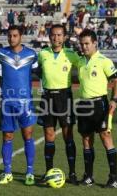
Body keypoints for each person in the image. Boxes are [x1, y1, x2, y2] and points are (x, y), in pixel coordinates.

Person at [0, 25, 38, 186]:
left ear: (21, 36)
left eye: (15, 35)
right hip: (7, 102)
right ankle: (7, 171)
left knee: (28, 136)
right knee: (7, 137)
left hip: (26, 103)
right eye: (9, 35)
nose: (11, 38)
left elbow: (41, 72)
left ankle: (30, 172)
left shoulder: (31, 54)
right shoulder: (2, 53)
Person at [76, 29, 117, 188]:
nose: (84, 47)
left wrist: (114, 99)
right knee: (86, 140)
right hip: (83, 104)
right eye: (82, 44)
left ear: (95, 43)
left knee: (105, 138)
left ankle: (113, 178)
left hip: (99, 104)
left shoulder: (104, 61)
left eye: (87, 44)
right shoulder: (80, 61)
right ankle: (88, 176)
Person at [37, 24, 80, 185]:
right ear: (49, 36)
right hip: (47, 97)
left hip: (64, 98)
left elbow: (85, 66)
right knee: (49, 136)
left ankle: (73, 173)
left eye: (59, 35)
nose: (56, 38)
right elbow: (36, 70)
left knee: (68, 136)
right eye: (53, 35)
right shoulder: (43, 54)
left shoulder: (71, 55)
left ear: (65, 37)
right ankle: (48, 172)